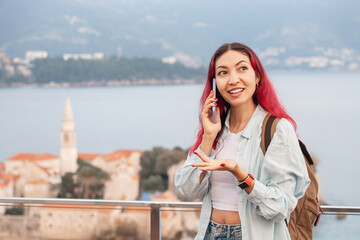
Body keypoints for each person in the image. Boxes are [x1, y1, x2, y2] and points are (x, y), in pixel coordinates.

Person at [174, 42, 310, 240]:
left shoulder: (277, 129)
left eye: (242, 69)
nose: (233, 80)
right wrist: (208, 136)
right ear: (215, 84)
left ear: (257, 77)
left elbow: (280, 207)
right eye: (223, 73)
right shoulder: (216, 131)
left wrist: (241, 175)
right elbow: (187, 189)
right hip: (210, 233)